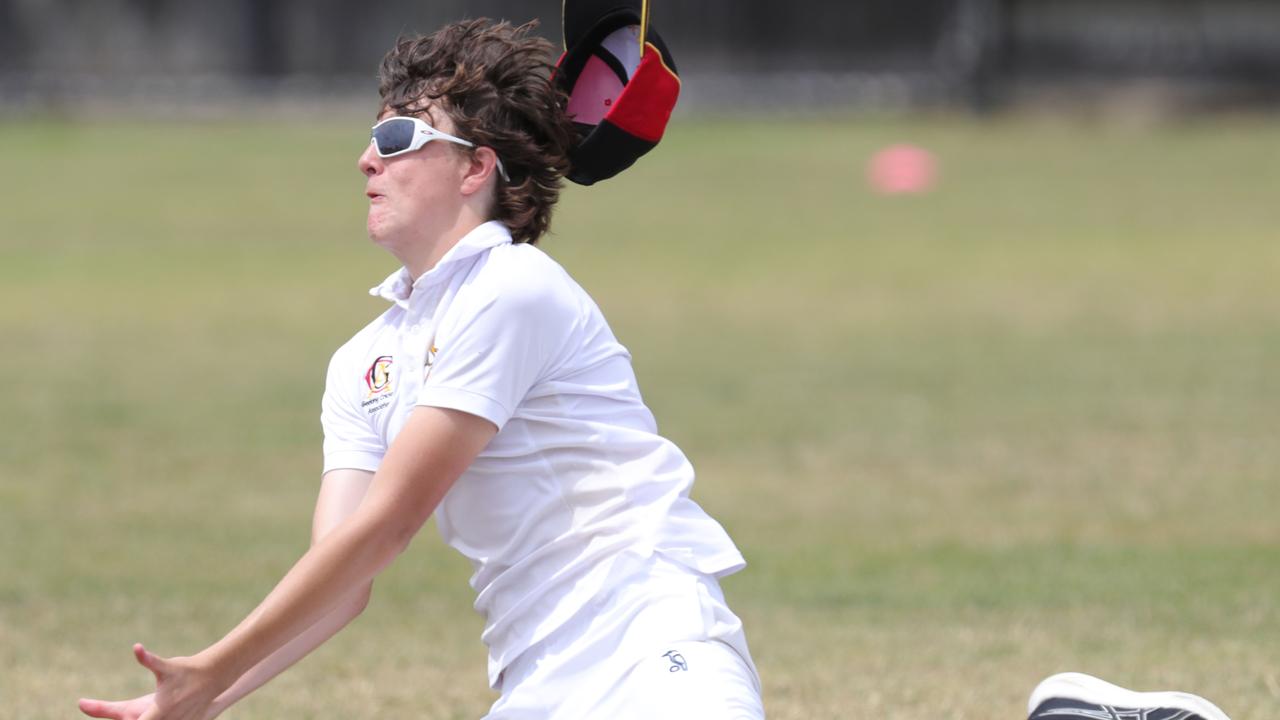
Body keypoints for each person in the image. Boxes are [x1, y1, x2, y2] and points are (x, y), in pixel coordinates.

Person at [77, 18, 1236, 720]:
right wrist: (202, 697)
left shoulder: (510, 290)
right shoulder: (364, 359)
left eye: (394, 137)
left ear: (474, 170)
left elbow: (384, 529)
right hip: (539, 681)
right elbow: (344, 572)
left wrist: (210, 670)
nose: (364, 159)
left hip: (648, 652)